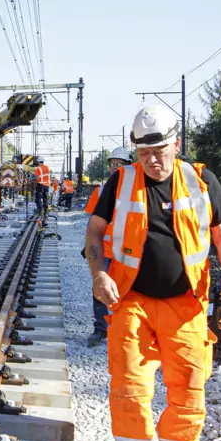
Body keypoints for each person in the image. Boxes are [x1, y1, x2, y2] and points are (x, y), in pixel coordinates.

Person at [87, 106, 221, 441]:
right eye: (144, 154)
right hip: (132, 301)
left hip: (187, 303)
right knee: (129, 385)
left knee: (190, 384)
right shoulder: (119, 182)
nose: (153, 161)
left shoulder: (201, 180)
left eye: (160, 150)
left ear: (176, 143)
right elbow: (94, 233)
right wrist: (98, 273)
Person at [83, 147, 134, 344]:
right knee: (101, 287)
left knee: (129, 290)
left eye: (119, 164)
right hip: (105, 249)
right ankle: (101, 328)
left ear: (129, 165)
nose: (114, 168)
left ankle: (125, 329)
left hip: (129, 250)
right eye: (112, 165)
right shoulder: (102, 190)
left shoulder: (139, 190)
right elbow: (92, 224)